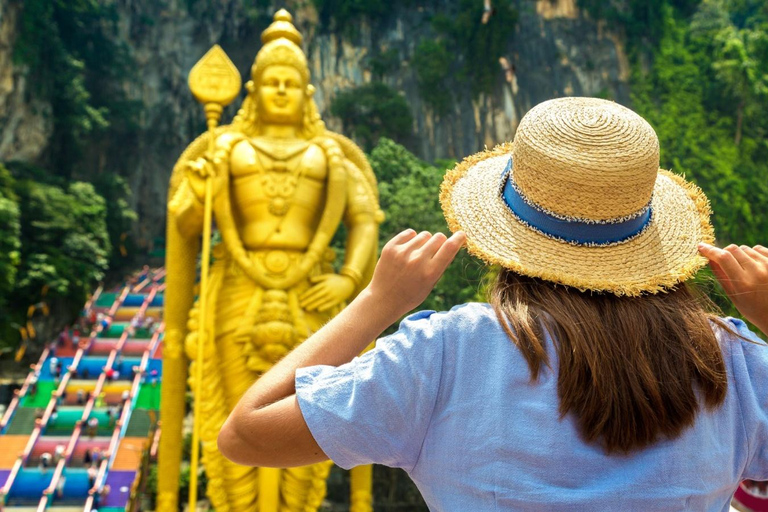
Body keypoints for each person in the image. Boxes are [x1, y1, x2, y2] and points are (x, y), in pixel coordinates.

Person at [217, 97, 768, 511]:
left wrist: (377, 303)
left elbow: (245, 434)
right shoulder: (730, 364)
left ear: (504, 231)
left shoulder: (443, 356)